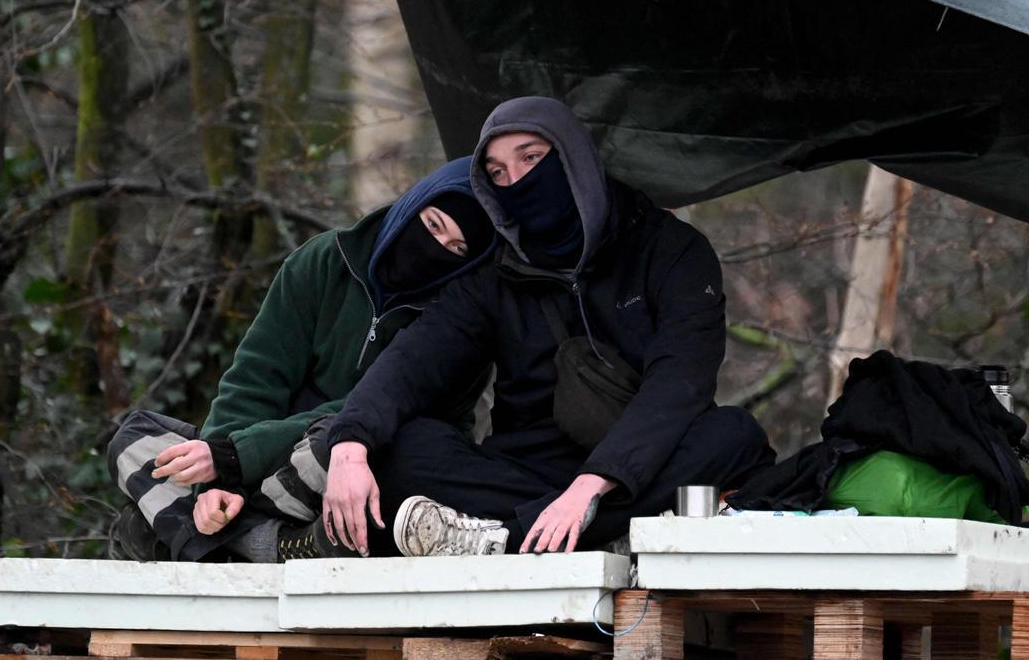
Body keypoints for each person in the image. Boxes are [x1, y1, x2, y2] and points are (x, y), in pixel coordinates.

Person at [318, 96, 776, 558]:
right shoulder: (493, 277)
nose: (516, 181)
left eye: (531, 158)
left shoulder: (670, 250)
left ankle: (504, 541)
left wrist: (592, 486)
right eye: (498, 173)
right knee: (404, 446)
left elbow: (680, 382)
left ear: (571, 156)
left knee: (732, 436)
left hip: (636, 468)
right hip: (521, 475)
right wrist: (350, 444)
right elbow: (413, 360)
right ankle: (599, 536)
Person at [106, 156, 496, 562]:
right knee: (134, 437)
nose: (434, 249)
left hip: (351, 473)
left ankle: (183, 533)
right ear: (411, 206)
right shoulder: (325, 260)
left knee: (339, 440)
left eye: (457, 249)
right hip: (257, 469)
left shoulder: (453, 323)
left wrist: (236, 458)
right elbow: (255, 379)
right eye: (432, 225)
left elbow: (363, 412)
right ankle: (268, 544)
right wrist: (217, 482)